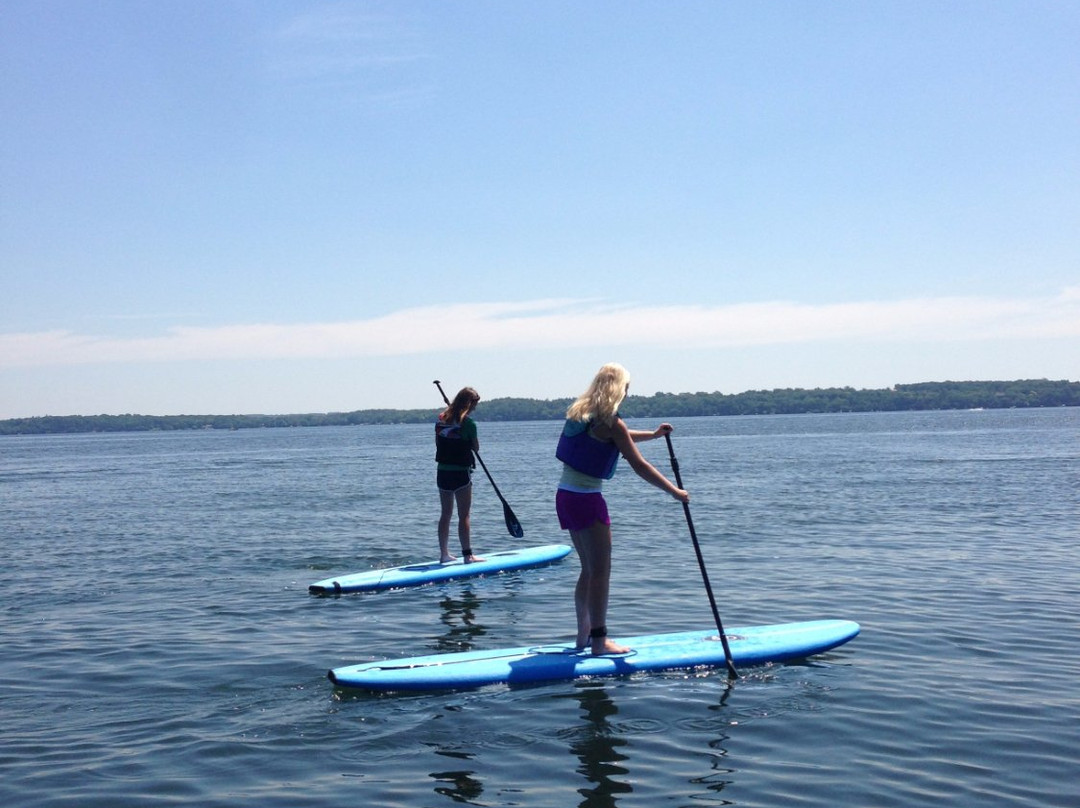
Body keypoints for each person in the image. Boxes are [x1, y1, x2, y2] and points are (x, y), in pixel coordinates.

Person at [555, 363, 689, 655]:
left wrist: (653, 435)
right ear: (619, 388)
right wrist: (675, 492)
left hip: (565, 496)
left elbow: (620, 438)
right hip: (588, 500)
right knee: (601, 572)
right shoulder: (612, 423)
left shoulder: (579, 413)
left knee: (588, 570)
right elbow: (639, 464)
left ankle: (583, 636)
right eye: (627, 387)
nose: (628, 392)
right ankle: (600, 642)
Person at [436, 387, 485, 564]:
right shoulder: (469, 424)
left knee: (445, 513)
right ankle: (467, 555)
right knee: (464, 515)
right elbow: (475, 447)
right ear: (469, 404)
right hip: (461, 473)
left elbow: (438, 442)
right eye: (474, 405)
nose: (475, 408)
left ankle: (444, 554)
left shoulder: (441, 419)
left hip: (442, 472)